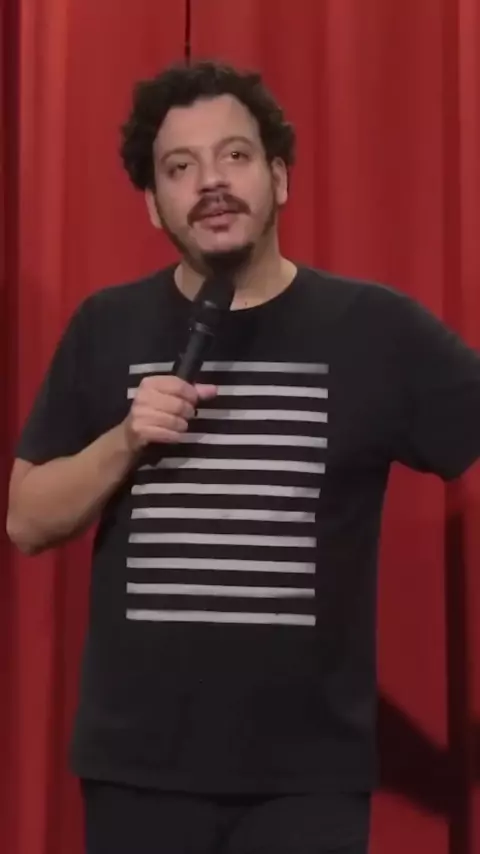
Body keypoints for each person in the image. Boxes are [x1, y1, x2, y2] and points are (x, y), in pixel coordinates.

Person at [6, 60, 480, 854]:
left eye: (235, 155)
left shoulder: (376, 331)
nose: (211, 183)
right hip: (139, 775)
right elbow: (26, 520)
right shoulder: (105, 326)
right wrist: (124, 440)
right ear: (152, 204)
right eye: (179, 167)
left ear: (279, 177)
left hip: (306, 784)